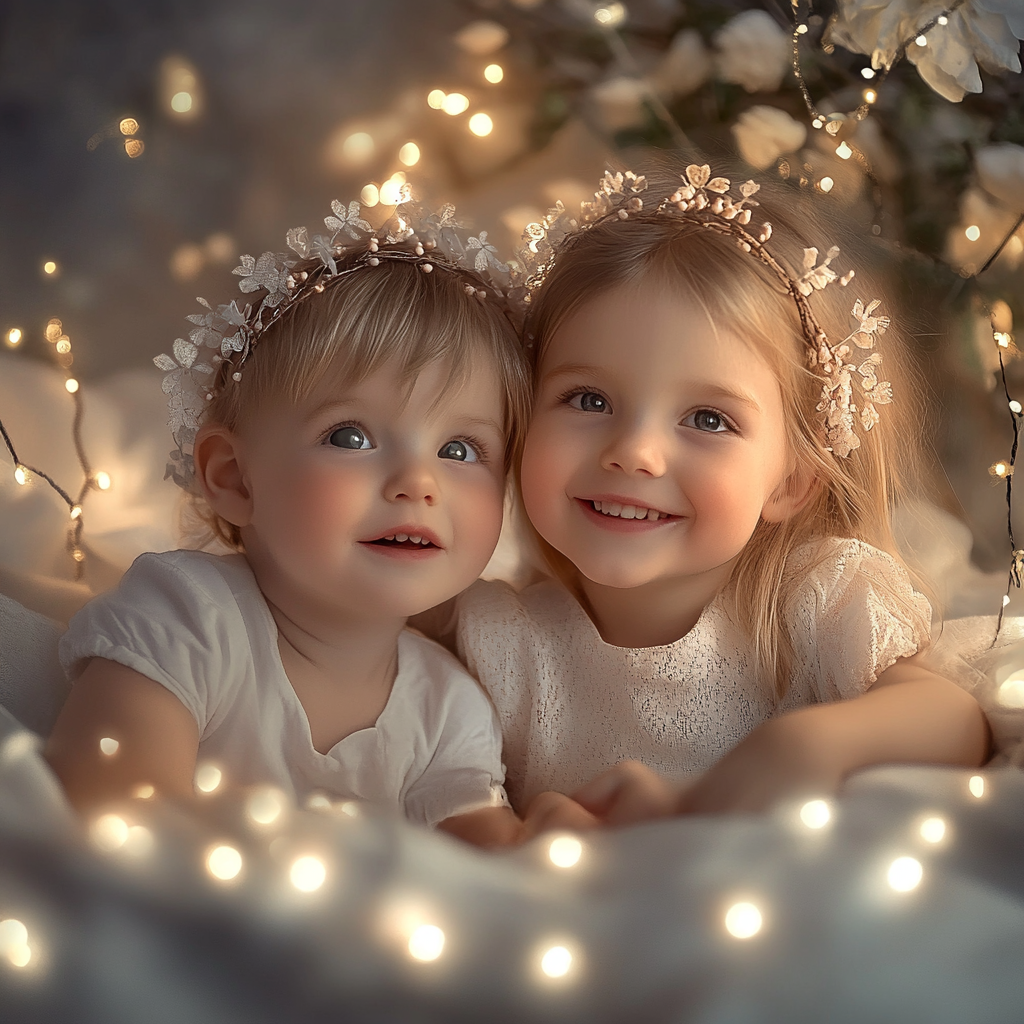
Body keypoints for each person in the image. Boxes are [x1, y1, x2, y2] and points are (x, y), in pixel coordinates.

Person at [451, 162, 991, 828]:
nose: (634, 451)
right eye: (587, 399)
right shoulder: (498, 640)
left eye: (708, 419)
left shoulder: (811, 603)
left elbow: (954, 721)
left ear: (793, 480)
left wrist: (803, 744)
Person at [45, 199, 538, 846]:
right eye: (351, 436)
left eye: (460, 451)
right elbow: (118, 813)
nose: (418, 484)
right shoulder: (191, 614)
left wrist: (552, 844)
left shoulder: (448, 708)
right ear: (234, 477)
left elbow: (500, 875)